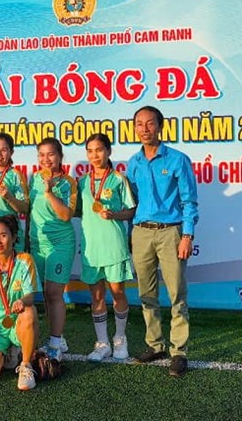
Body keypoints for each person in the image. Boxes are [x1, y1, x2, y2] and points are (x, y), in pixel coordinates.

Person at [126, 106, 198, 377]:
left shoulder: (178, 160)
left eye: (150, 123)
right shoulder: (134, 163)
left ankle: (179, 352)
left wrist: (187, 235)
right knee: (146, 294)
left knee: (177, 294)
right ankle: (155, 346)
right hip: (141, 233)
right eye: (139, 124)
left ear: (160, 126)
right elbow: (131, 201)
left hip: (171, 233)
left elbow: (189, 200)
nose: (144, 129)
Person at [76, 133, 136, 362]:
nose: (94, 155)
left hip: (114, 247)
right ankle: (102, 344)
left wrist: (114, 214)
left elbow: (131, 210)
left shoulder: (119, 179)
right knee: (97, 295)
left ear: (108, 151)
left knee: (118, 292)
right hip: (92, 250)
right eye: (90, 151)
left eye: (99, 149)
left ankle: (120, 338)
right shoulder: (82, 182)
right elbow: (76, 211)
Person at [0, 215, 40, 390]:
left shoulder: (25, 260)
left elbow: (30, 296)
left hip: (18, 321)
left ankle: (25, 365)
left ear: (14, 236)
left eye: (3, 235)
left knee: (28, 311)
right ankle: (10, 351)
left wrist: (22, 301)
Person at [28, 137, 77, 362]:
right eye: (41, 155)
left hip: (60, 243)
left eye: (51, 154)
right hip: (38, 243)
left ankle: (56, 344)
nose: (46, 159)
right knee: (45, 294)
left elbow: (66, 215)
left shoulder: (68, 182)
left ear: (59, 157)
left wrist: (49, 192)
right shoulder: (34, 178)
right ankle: (58, 338)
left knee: (55, 293)